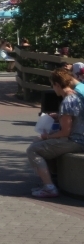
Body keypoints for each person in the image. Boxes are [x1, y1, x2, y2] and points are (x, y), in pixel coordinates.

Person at [27, 67, 84, 198]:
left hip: (76, 141)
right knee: (41, 144)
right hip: (80, 138)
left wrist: (46, 136)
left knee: (33, 150)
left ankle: (49, 187)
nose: (53, 88)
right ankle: (51, 180)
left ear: (57, 84)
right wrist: (59, 116)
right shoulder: (76, 97)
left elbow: (65, 132)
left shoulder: (67, 101)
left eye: (53, 85)